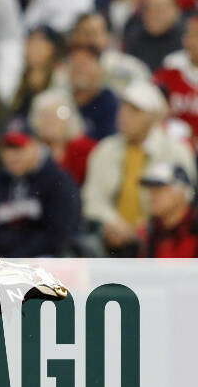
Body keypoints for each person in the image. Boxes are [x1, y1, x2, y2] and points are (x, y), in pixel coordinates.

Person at [82, 79, 196, 256]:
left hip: (157, 233)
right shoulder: (105, 149)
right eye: (123, 108)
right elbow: (92, 199)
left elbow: (185, 200)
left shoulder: (176, 150)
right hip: (109, 234)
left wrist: (143, 230)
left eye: (135, 111)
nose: (124, 116)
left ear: (152, 117)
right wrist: (114, 223)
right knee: (83, 245)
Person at [0, 131, 81, 257]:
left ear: (36, 147)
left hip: (46, 262)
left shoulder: (57, 181)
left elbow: (60, 234)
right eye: (7, 149)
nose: (11, 156)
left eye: (18, 149)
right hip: (3, 261)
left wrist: (19, 257)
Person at [27, 88, 97, 186]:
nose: (51, 121)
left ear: (69, 120)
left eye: (57, 115)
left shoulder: (86, 149)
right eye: (45, 115)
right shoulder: (30, 150)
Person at [139, 162, 198, 258]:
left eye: (159, 189)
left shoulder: (193, 231)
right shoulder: (147, 233)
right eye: (151, 190)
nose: (152, 196)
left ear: (181, 192)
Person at [154, 13, 198, 140]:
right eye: (189, 34)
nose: (191, 41)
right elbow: (153, 104)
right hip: (175, 142)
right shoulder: (172, 63)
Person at [123, 0, 184, 72]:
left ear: (176, 10)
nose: (152, 14)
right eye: (147, 9)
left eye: (159, 9)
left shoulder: (187, 41)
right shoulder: (134, 39)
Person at [66, 44, 119, 140]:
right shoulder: (60, 98)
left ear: (100, 69)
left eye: (85, 64)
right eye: (75, 64)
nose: (80, 70)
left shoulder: (110, 103)